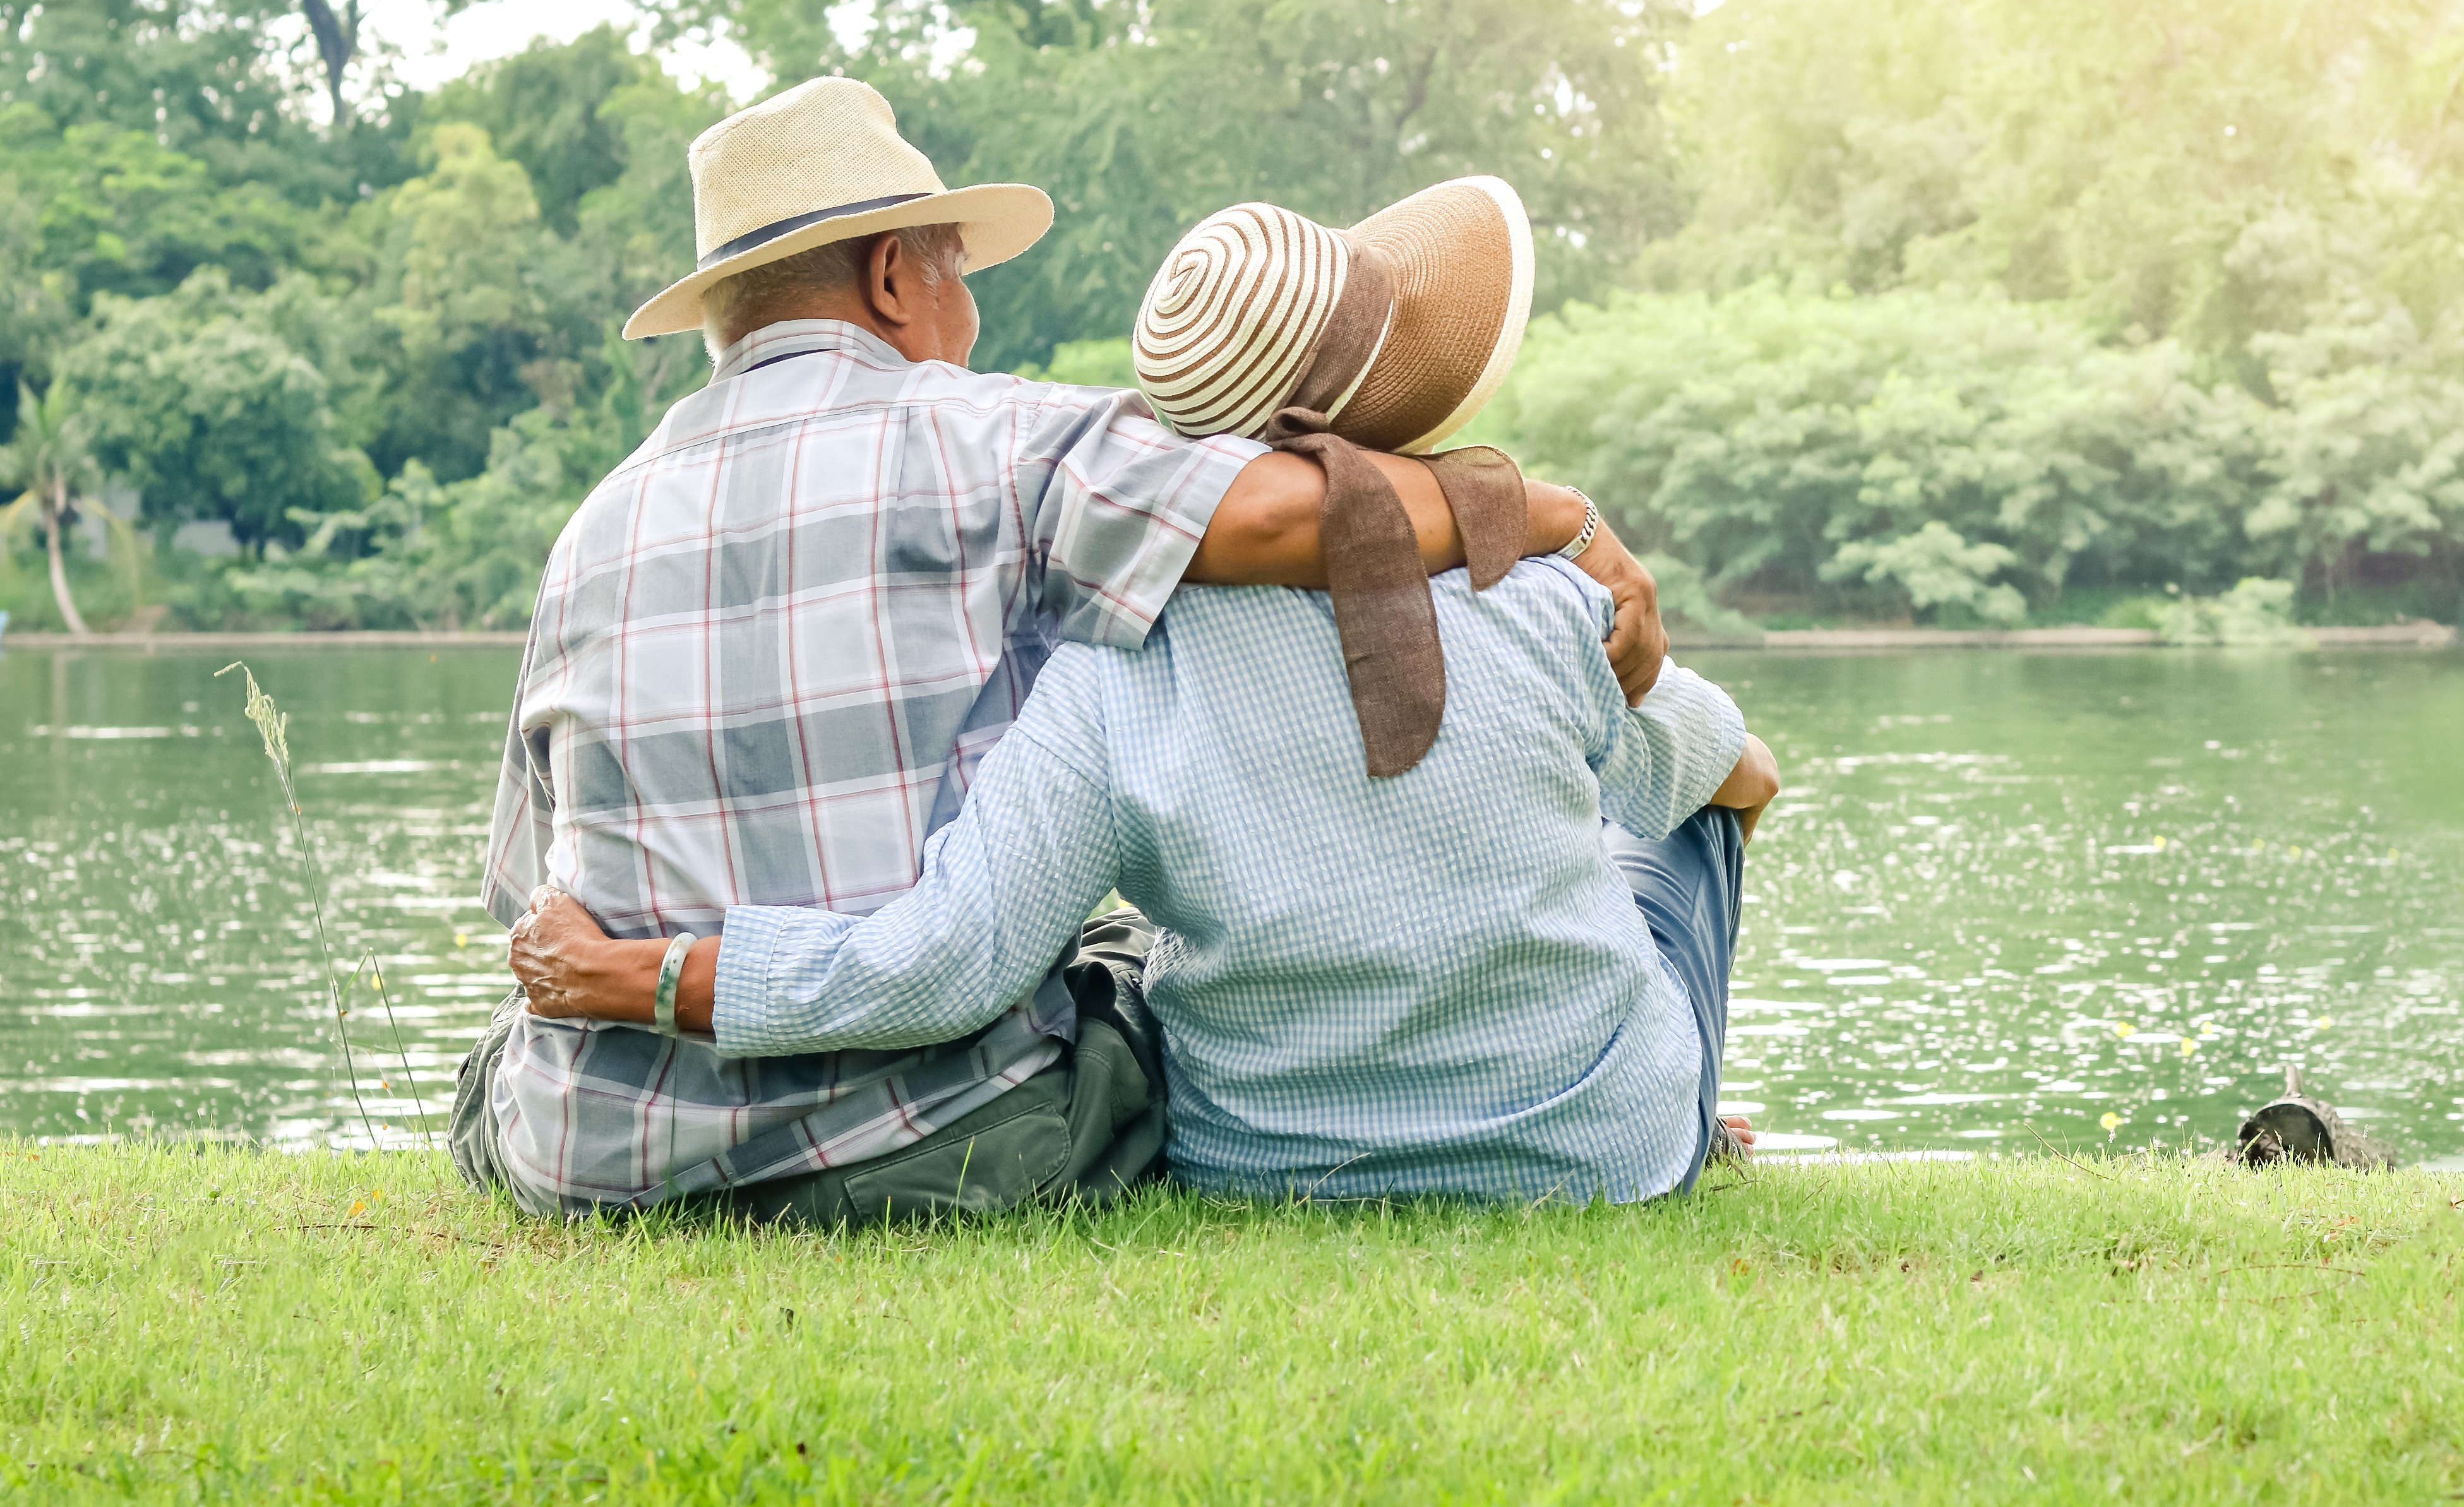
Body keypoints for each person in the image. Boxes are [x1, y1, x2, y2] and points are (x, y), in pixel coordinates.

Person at [453, 77, 1667, 1222]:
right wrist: (1549, 515)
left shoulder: (591, 527)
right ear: (892, 276)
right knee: (1121, 955)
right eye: (959, 273)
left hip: (600, 1153)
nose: (970, 317)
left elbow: (529, 896)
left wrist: (643, 978)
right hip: (930, 1140)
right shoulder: (995, 440)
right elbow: (1277, 516)